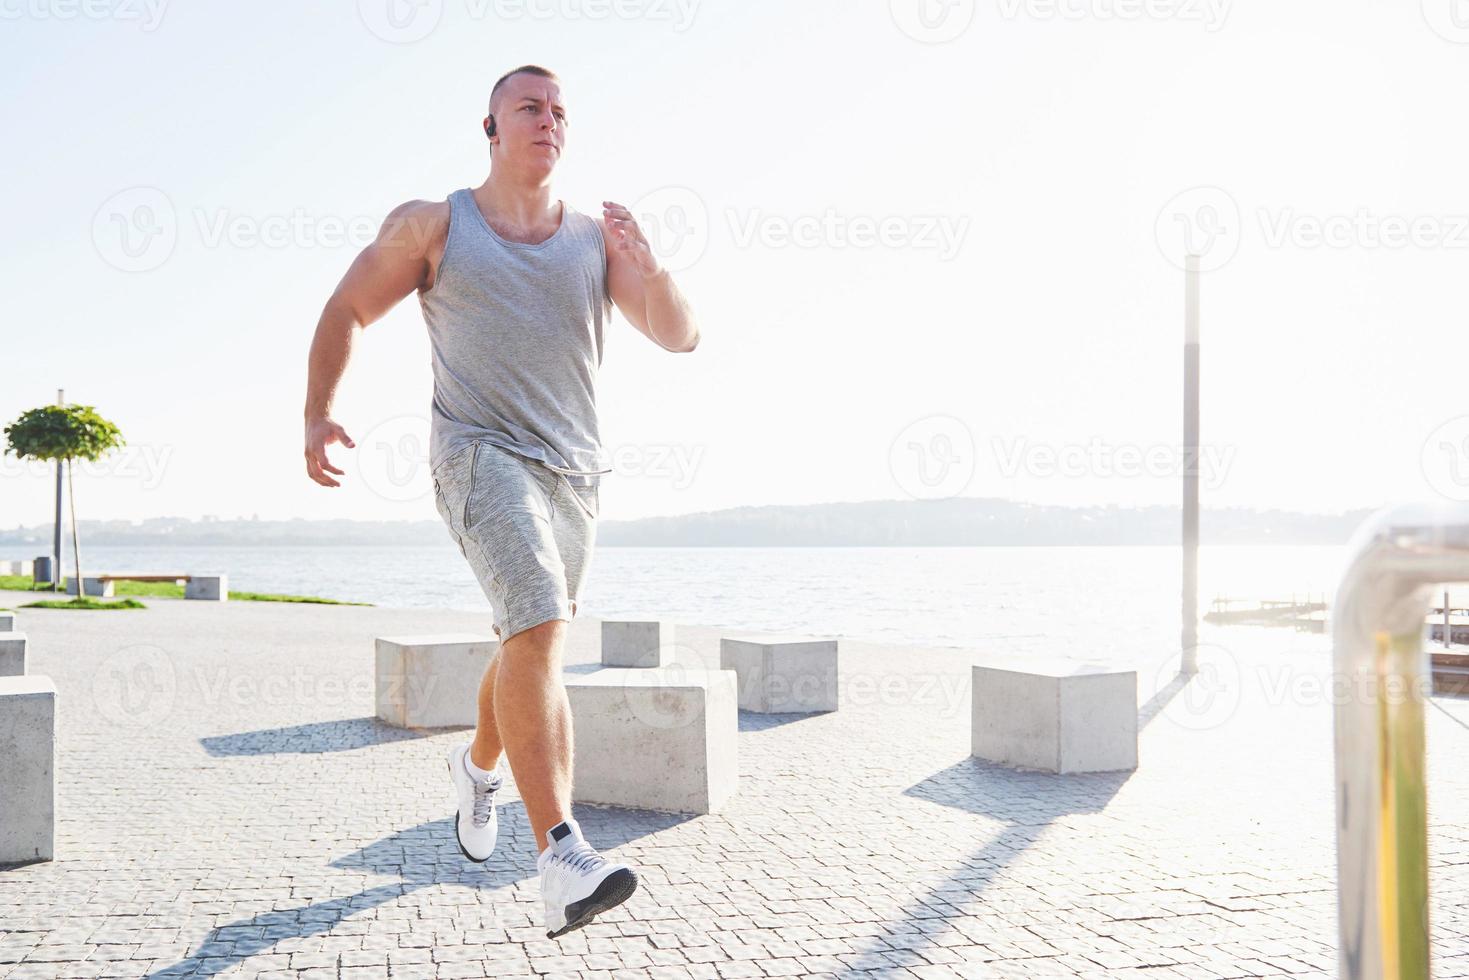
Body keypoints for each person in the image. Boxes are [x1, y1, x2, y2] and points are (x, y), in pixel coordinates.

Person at [301, 63, 700, 938]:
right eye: (529, 107)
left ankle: (479, 768)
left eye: (560, 110)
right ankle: (559, 853)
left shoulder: (596, 239)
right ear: (489, 127)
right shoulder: (435, 225)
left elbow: (679, 335)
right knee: (541, 625)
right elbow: (346, 309)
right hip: (476, 455)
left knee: (527, 634)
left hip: (575, 473)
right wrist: (319, 413)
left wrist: (653, 267)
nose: (548, 119)